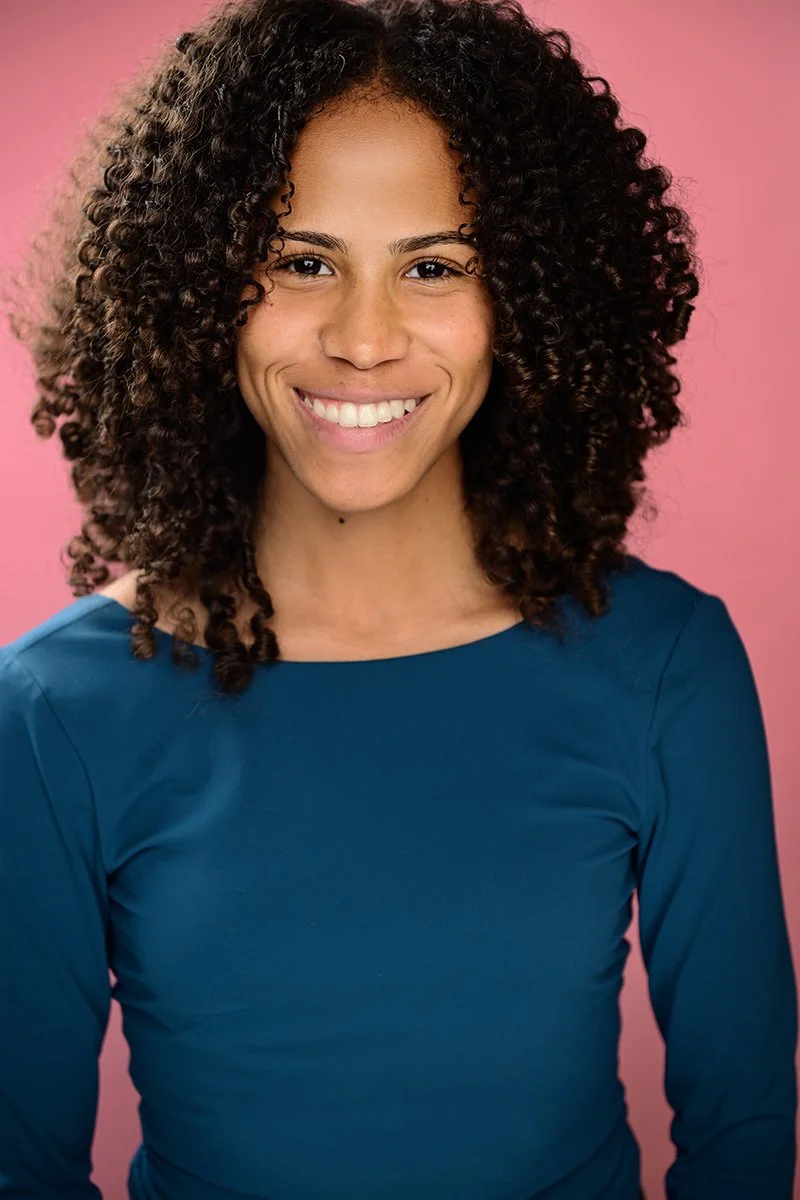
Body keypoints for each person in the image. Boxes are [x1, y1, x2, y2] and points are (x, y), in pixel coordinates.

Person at [0, 0, 796, 1195]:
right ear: (198, 287)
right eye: (301, 261)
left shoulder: (663, 665)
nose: (363, 338)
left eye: (433, 267)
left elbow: (744, 1136)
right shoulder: (56, 710)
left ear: (525, 299)